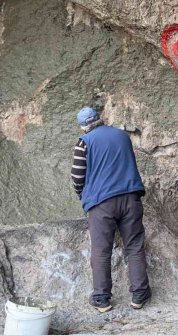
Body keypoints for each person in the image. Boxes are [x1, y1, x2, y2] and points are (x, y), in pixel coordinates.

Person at [71, 106, 151, 313]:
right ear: (100, 119)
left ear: (83, 127)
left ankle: (101, 298)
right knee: (134, 245)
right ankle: (140, 294)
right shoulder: (122, 136)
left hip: (101, 203)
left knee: (101, 250)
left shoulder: (85, 142)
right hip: (131, 197)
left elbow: (77, 176)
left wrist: (83, 194)